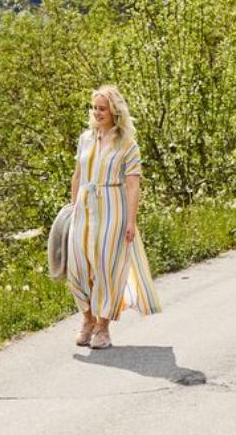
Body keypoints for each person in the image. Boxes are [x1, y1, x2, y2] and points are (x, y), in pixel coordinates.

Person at [67, 85, 161, 349]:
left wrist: (131, 221)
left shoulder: (127, 144)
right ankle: (86, 317)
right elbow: (77, 175)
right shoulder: (86, 138)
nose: (97, 113)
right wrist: (72, 208)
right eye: (94, 108)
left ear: (114, 111)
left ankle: (102, 326)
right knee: (77, 266)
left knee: (107, 267)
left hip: (113, 207)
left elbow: (133, 185)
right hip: (84, 207)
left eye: (102, 108)